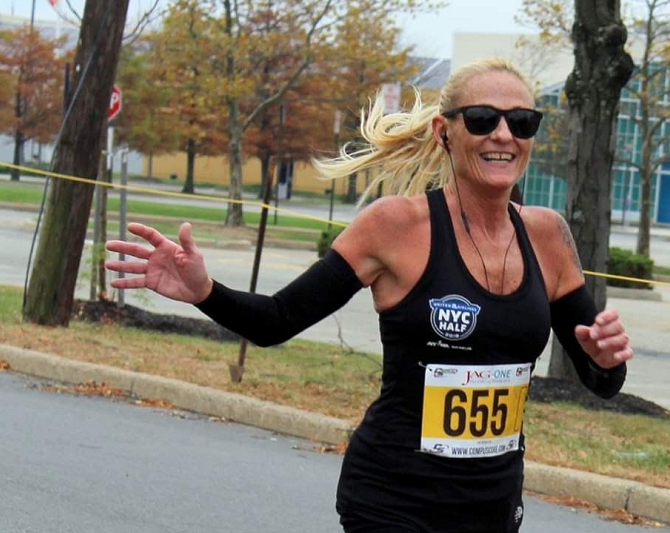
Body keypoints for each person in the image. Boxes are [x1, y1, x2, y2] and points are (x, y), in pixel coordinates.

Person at [106, 57, 631, 533]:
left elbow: (601, 380)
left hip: (492, 507)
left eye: (522, 122)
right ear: (444, 131)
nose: (503, 134)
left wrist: (604, 359)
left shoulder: (548, 235)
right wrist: (205, 291)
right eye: (482, 119)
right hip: (393, 500)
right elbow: (277, 320)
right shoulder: (395, 226)